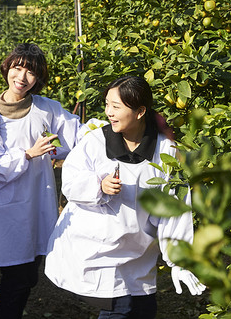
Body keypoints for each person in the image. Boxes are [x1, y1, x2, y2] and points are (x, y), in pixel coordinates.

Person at [44, 75, 205, 319]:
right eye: (107, 104)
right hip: (98, 248)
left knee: (142, 309)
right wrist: (99, 186)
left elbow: (175, 207)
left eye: (116, 106)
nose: (109, 112)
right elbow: (71, 181)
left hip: (138, 251)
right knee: (119, 309)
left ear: (140, 111)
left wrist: (179, 259)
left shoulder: (165, 151)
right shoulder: (96, 141)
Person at [0, 43, 82, 319]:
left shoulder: (47, 109)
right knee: (16, 278)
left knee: (29, 275)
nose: (21, 77)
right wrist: (27, 154)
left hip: (39, 204)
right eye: (17, 68)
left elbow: (76, 136)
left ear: (38, 78)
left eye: (30, 72)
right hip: (9, 209)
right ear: (7, 68)